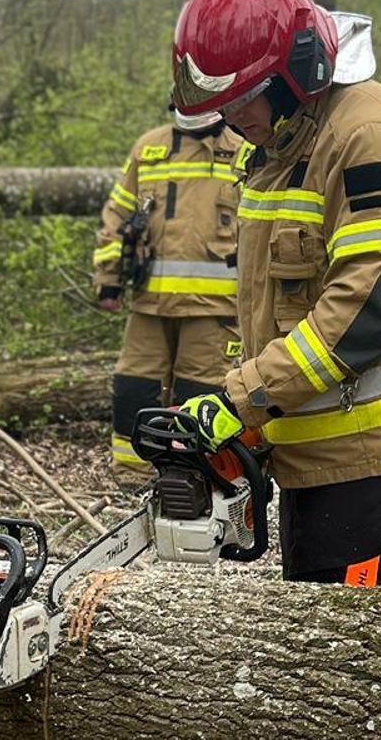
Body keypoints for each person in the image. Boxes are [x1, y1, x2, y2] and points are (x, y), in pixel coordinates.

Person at [169, 0, 381, 588]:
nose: (228, 120)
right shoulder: (280, 148)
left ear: (292, 73)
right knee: (314, 637)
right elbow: (267, 304)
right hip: (316, 443)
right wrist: (246, 413)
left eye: (238, 100)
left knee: (347, 659)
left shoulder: (370, 135)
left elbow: (367, 309)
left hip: (375, 446)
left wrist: (243, 396)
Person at [92, 111, 250, 484]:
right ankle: (133, 476)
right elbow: (118, 216)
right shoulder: (149, 149)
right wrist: (110, 280)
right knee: (134, 387)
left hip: (215, 309)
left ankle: (200, 477)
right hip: (149, 303)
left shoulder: (243, 151)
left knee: (202, 396)